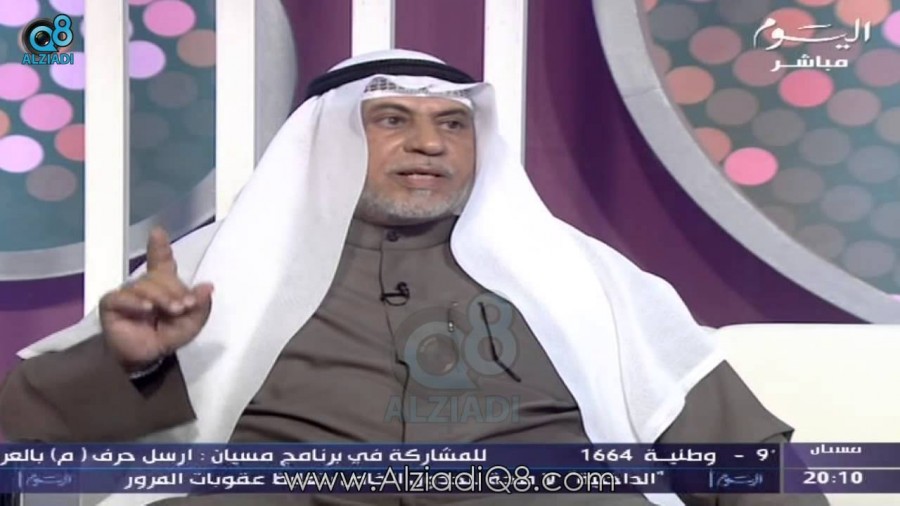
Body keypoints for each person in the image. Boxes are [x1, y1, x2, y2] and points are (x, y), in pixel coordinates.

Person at [0, 50, 827, 506]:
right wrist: (126, 360)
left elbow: (742, 451)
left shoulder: (575, 271)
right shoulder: (217, 269)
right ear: (324, 143)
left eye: (453, 125)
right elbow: (24, 440)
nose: (430, 144)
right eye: (392, 119)